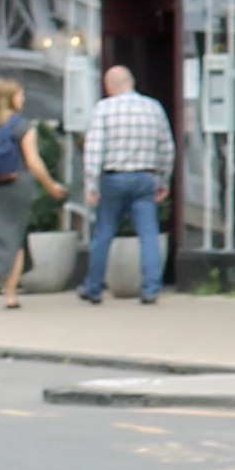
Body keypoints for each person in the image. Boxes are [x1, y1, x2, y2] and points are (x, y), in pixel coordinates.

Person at [74, 62, 174, 304]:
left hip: (113, 178)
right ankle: (150, 289)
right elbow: (167, 147)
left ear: (110, 86)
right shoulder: (153, 108)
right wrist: (163, 179)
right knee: (148, 234)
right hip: (144, 178)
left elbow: (94, 149)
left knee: (104, 233)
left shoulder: (104, 109)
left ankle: (93, 287)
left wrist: (90, 183)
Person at [0, 77, 62, 314]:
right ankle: (10, 296)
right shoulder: (21, 126)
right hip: (15, 187)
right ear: (10, 98)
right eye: (20, 95)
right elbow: (33, 162)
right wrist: (50, 186)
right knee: (15, 240)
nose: (23, 98)